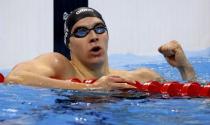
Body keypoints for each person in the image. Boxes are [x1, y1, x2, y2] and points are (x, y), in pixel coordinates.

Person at [5, 7, 196, 91]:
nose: (94, 36)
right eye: (81, 32)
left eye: (99, 28)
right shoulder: (60, 65)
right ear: (69, 44)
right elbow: (15, 78)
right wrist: (90, 88)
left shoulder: (141, 77)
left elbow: (191, 102)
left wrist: (184, 68)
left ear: (107, 35)